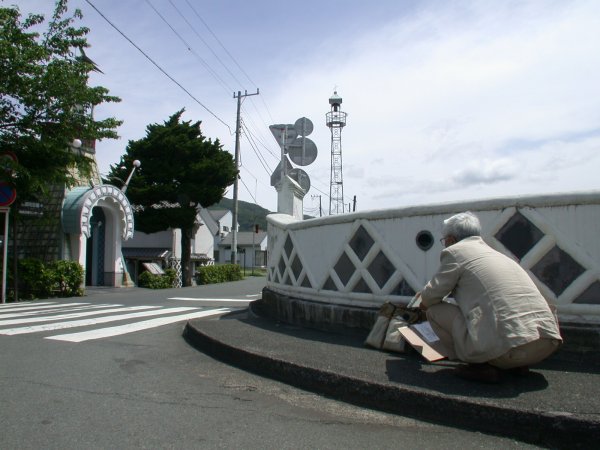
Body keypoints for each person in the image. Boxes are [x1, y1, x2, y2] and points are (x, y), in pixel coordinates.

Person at [416, 211, 562, 383]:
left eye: (444, 241)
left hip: (507, 350)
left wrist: (422, 306)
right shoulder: (499, 254)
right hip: (544, 344)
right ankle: (512, 364)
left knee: (434, 310)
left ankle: (476, 364)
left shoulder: (455, 252)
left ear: (451, 240)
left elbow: (430, 297)